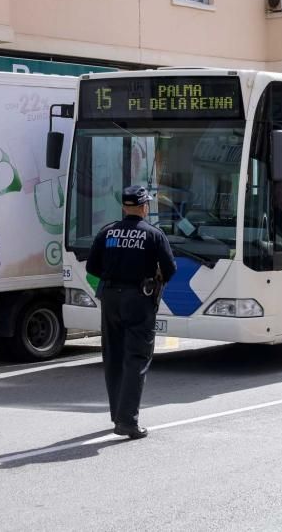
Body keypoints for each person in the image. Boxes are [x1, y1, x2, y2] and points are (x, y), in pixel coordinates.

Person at [86, 186, 176, 440]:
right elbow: (170, 269)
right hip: (138, 299)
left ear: (124, 207)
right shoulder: (153, 235)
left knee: (113, 356)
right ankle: (127, 421)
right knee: (136, 358)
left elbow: (92, 266)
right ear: (144, 207)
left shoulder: (107, 232)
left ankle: (118, 414)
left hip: (110, 299)